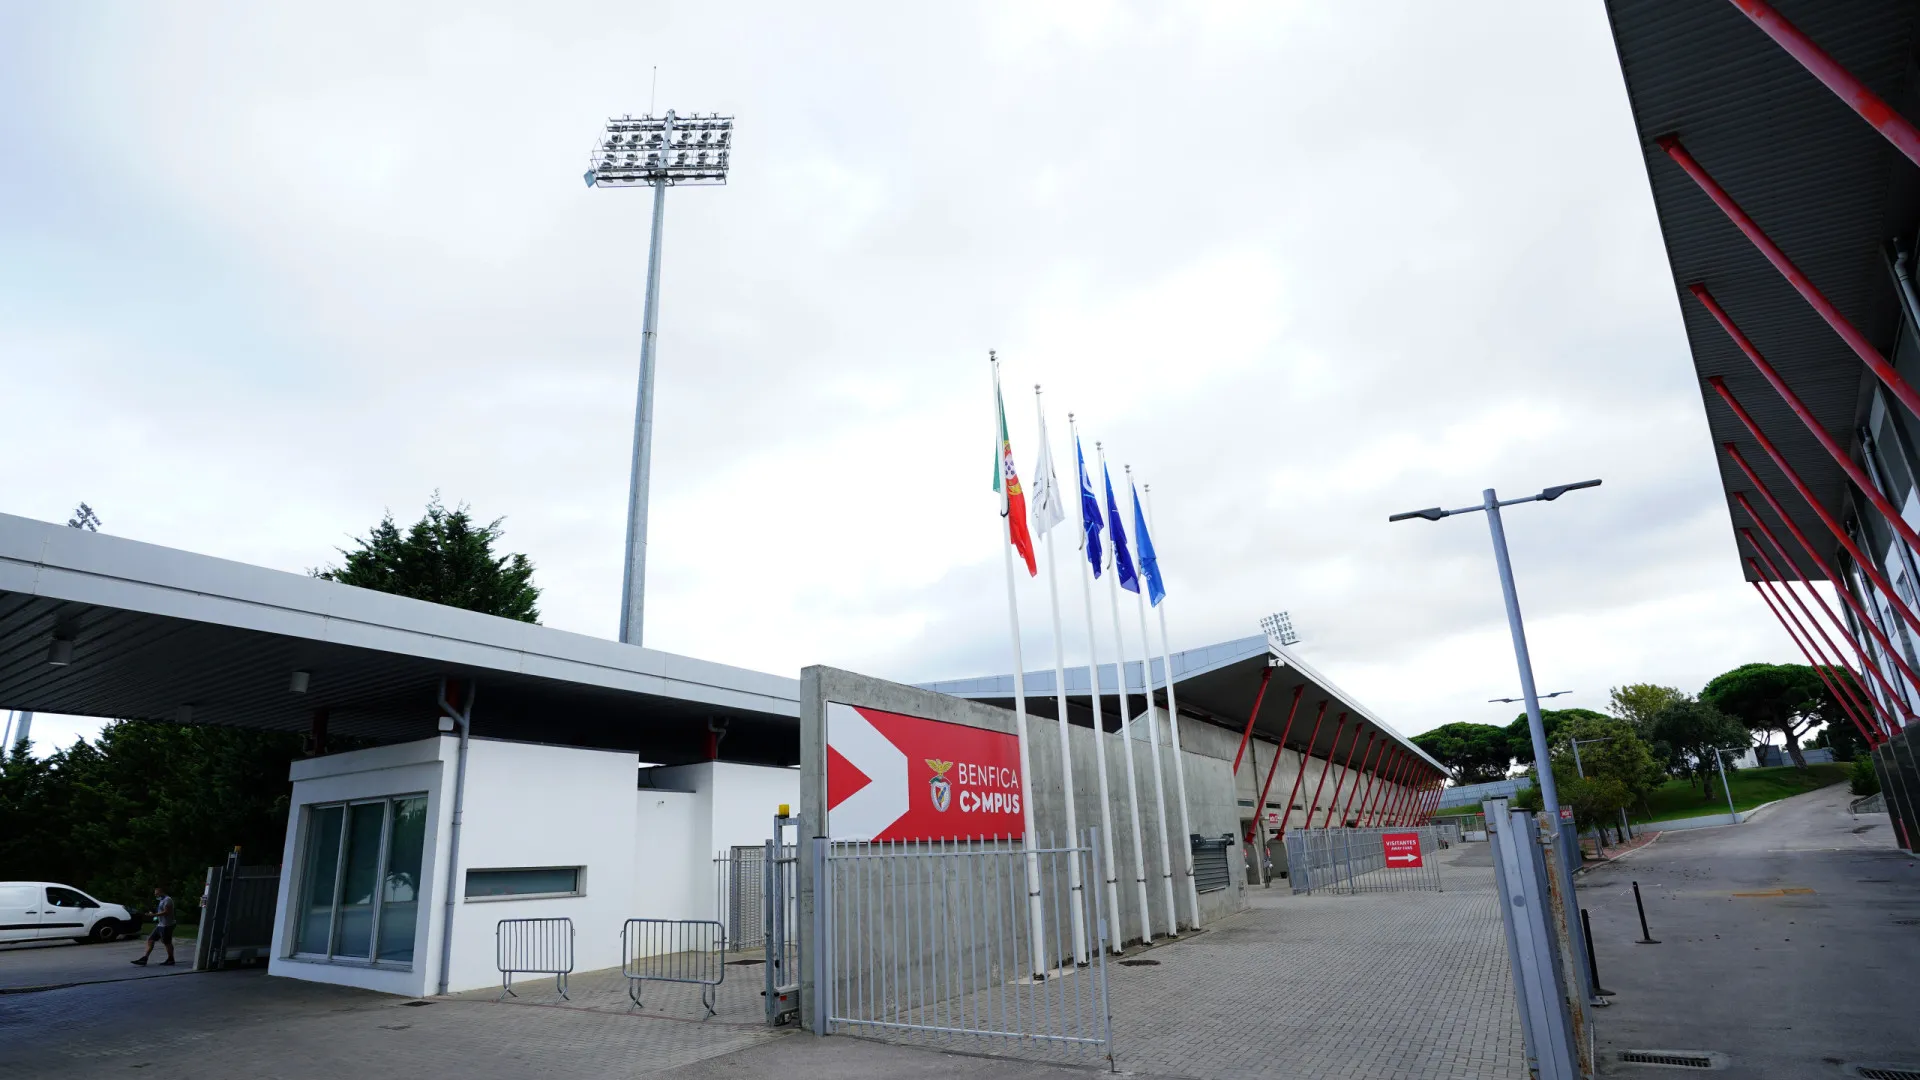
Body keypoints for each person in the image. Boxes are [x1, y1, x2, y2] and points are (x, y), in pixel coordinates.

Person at [131, 886, 175, 966]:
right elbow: (160, 910)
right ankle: (145, 958)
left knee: (167, 942)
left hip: (167, 925)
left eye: (157, 893)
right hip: (160, 925)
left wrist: (154, 915)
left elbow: (166, 912)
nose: (156, 895)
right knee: (150, 940)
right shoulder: (162, 900)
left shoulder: (168, 900)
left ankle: (171, 959)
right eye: (155, 894)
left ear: (161, 892)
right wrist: (153, 913)